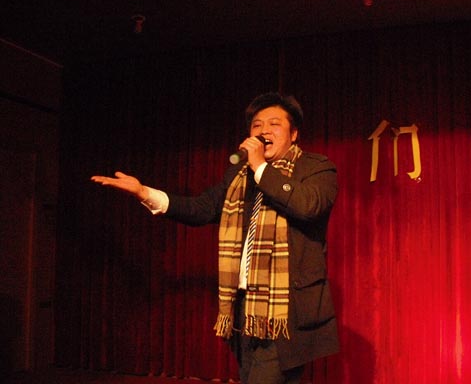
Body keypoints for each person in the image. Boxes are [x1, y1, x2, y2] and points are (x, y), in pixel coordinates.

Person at [91, 92, 339, 384]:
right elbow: (202, 208)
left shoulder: (316, 168)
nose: (264, 131)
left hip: (286, 310)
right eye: (257, 125)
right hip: (245, 306)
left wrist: (261, 168)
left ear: (294, 134)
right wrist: (144, 192)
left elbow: (308, 206)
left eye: (274, 124)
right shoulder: (239, 174)